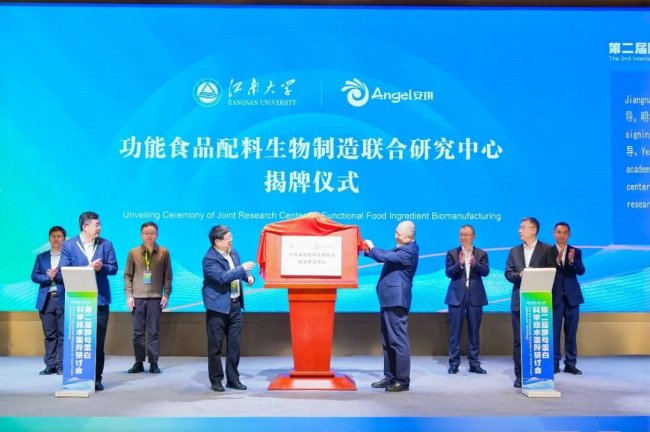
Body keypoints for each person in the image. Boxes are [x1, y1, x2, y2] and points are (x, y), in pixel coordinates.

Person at [57, 211, 118, 391]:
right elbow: (64, 269)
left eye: (99, 224)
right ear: (85, 226)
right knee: (77, 341)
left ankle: (96, 378)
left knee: (98, 342)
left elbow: (114, 268)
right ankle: (77, 377)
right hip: (77, 301)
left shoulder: (106, 244)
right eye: (96, 224)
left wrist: (101, 267)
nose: (100, 227)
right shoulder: (69, 245)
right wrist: (87, 268)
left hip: (99, 300)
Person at [365, 220, 419, 393]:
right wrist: (368, 250)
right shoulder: (401, 248)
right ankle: (390, 377)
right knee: (388, 340)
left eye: (398, 233)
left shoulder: (409, 250)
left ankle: (402, 380)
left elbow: (384, 257)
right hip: (389, 299)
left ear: (409, 236)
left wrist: (372, 247)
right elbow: (385, 254)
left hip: (397, 300)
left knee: (398, 340)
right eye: (395, 231)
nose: (395, 235)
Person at [202, 225, 255, 392]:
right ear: (217, 241)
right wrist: (242, 269)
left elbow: (238, 272)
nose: (231, 240)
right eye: (228, 238)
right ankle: (216, 380)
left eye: (231, 236)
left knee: (234, 345)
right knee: (215, 346)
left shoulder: (233, 253)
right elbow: (222, 277)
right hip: (217, 307)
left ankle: (233, 379)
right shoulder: (209, 259)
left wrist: (248, 277)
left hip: (235, 305)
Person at [504, 217, 553, 389]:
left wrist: (535, 275)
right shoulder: (514, 251)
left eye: (523, 227)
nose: (520, 230)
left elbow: (552, 272)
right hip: (519, 301)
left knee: (538, 340)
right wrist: (520, 275)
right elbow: (508, 273)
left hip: (539, 302)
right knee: (519, 340)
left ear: (534, 229)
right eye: (520, 227)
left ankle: (538, 374)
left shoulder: (548, 250)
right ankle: (520, 375)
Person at [124, 221, 173, 375]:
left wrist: (166, 295)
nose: (149, 236)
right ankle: (138, 362)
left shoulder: (164, 252)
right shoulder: (133, 252)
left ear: (157, 234)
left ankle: (154, 363)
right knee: (138, 332)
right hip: (137, 298)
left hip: (155, 298)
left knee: (154, 332)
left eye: (152, 233)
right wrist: (129, 295)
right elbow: (128, 276)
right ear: (141, 235)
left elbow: (168, 277)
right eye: (146, 233)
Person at [444, 224, 490, 375]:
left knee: (474, 331)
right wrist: (460, 264)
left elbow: (486, 272)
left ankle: (474, 363)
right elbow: (448, 273)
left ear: (473, 236)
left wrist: (475, 264)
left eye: (467, 235)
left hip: (475, 296)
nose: (463, 237)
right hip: (456, 296)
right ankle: (454, 363)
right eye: (461, 235)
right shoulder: (452, 253)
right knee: (454, 331)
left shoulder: (481, 253)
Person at [549, 222, 586, 375]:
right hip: (554, 296)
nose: (561, 235)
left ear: (569, 234)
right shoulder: (548, 252)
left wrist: (572, 262)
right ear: (554, 233)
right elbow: (545, 271)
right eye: (558, 232)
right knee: (554, 332)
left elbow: (581, 271)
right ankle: (554, 363)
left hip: (572, 297)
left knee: (571, 332)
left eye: (565, 232)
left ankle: (570, 363)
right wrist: (556, 262)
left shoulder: (575, 252)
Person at [31, 226, 67, 375]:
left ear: (64, 239)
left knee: (63, 334)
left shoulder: (68, 257)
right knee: (50, 334)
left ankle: (62, 365)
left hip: (63, 298)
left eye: (59, 236)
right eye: (53, 236)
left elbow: (73, 276)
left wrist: (56, 276)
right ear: (49, 239)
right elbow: (34, 276)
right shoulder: (42, 257)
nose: (56, 239)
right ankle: (50, 364)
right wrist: (47, 277)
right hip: (46, 300)